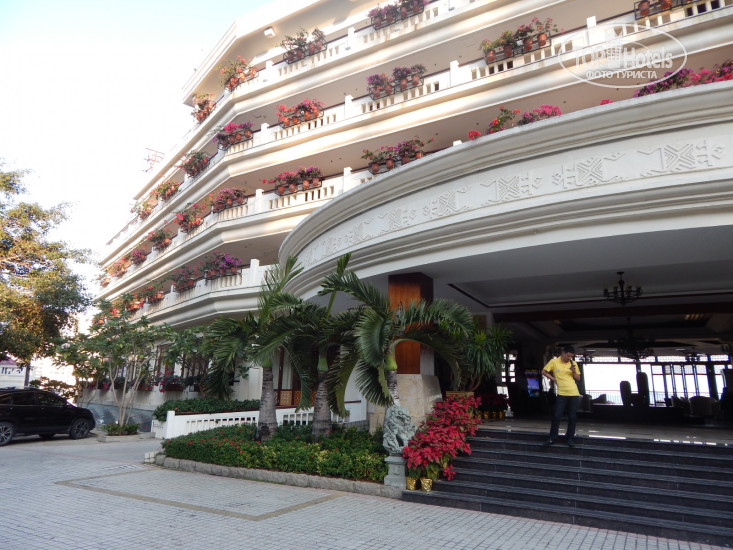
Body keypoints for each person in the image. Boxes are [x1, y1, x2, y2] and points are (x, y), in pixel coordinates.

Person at [541, 345, 581, 448]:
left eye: (571, 356)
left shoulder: (573, 363)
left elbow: (578, 378)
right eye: (568, 355)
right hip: (561, 394)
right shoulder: (554, 362)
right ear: (563, 353)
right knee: (556, 415)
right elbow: (544, 372)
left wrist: (573, 371)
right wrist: (553, 379)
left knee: (572, 417)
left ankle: (570, 438)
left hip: (574, 393)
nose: (569, 358)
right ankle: (552, 437)